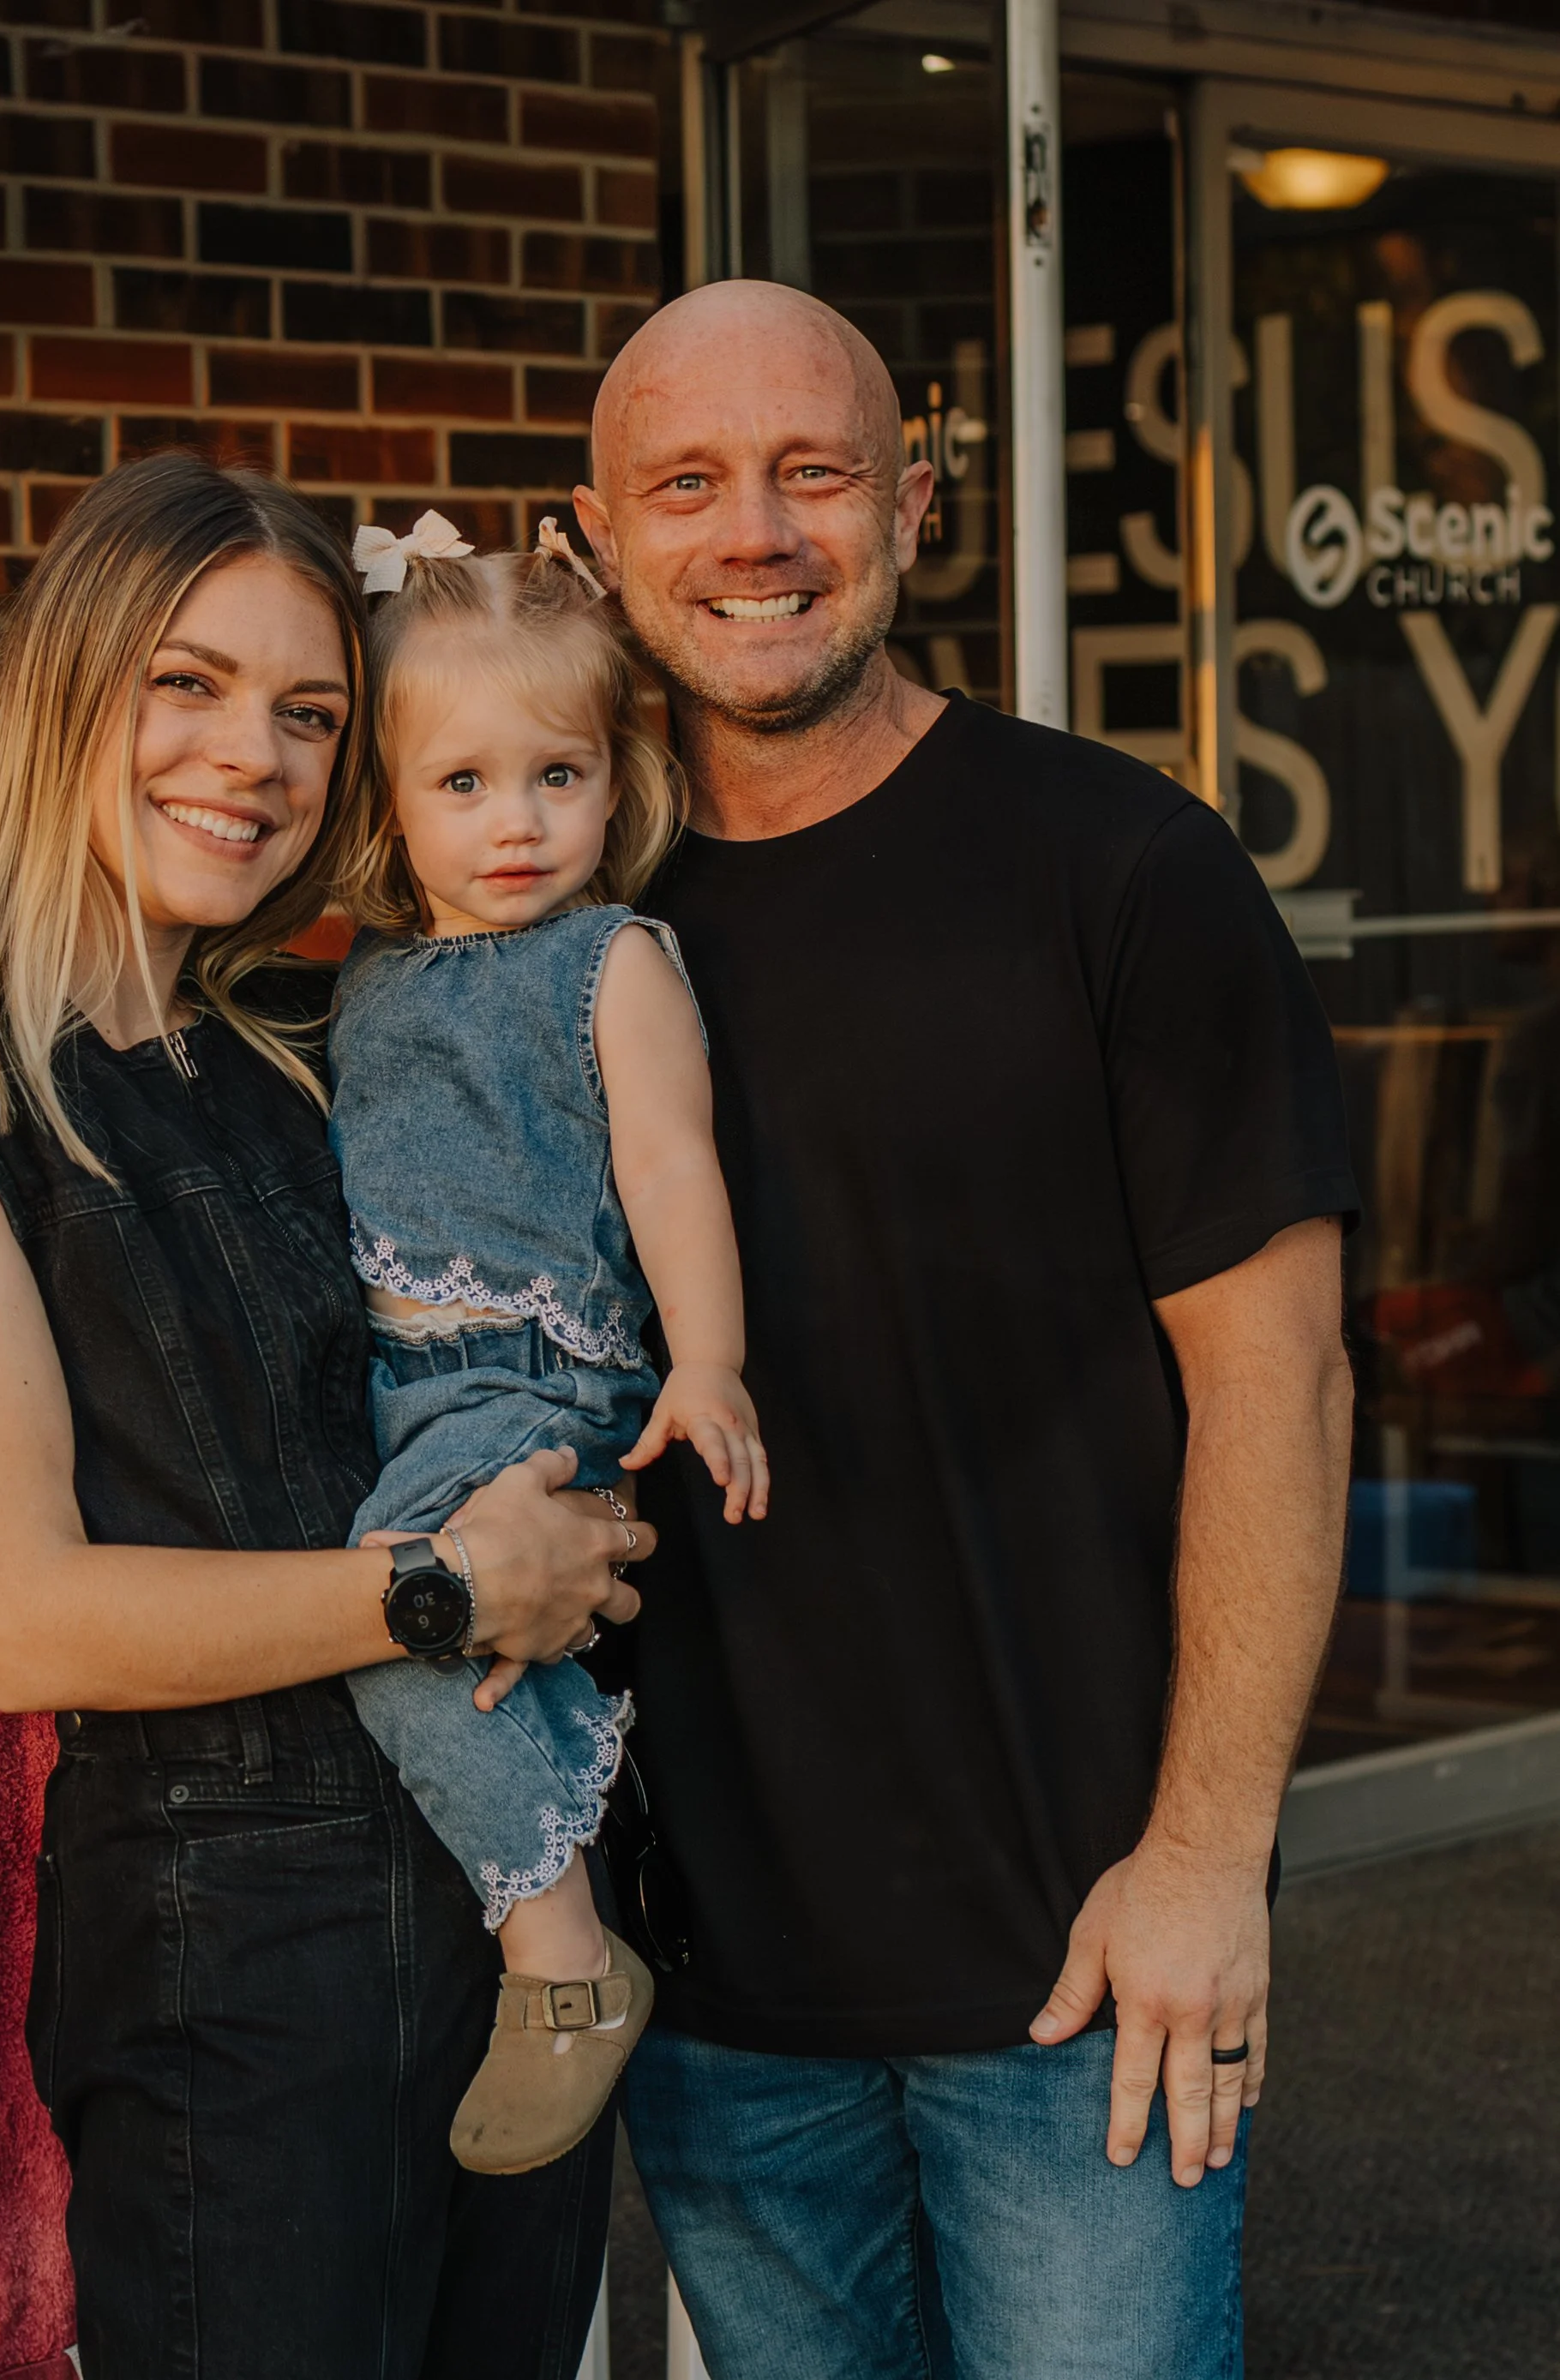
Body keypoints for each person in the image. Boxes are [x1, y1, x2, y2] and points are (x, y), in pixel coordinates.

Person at [0, 453, 650, 2379]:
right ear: (65, 687)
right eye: (186, 683)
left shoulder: (301, 1048)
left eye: (306, 711)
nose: (247, 755)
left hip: (501, 1902)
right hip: (232, 1970)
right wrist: (445, 1590)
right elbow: (25, 1615)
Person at [571, 281, 1355, 2377]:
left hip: (1078, 1957)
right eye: (689, 484)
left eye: (810, 471)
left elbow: (1276, 1376)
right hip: (722, 1990)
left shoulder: (1119, 868)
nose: (755, 531)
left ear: (911, 505)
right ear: (594, 538)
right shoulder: (555, 933)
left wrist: (1204, 1854)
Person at [325, 514, 768, 2177]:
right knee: (402, 1620)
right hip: (403, 1384)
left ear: (612, 776)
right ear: (386, 798)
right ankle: (543, 1861)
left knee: (390, 1611)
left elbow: (669, 1166)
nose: (515, 824)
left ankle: (564, 1952)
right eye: (462, 783)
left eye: (556, 775)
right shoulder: (372, 974)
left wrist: (705, 1360)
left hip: (532, 1378)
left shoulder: (611, 962)